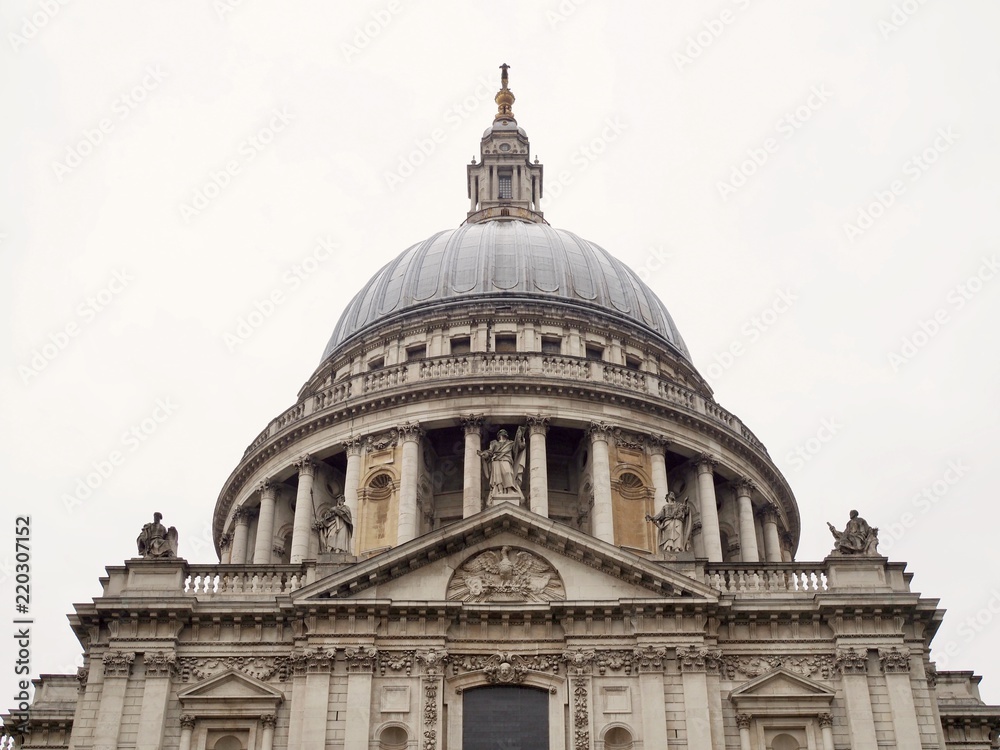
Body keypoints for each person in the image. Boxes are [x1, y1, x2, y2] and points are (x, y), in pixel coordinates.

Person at [479, 427, 526, 497]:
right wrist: (484, 454)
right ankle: (500, 491)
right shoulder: (494, 443)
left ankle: (510, 489)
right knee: (498, 476)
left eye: (504, 432)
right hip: (496, 461)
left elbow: (518, 448)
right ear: (499, 435)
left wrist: (522, 442)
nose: (503, 433)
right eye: (502, 432)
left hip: (506, 460)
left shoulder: (510, 443)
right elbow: (490, 451)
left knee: (508, 473)